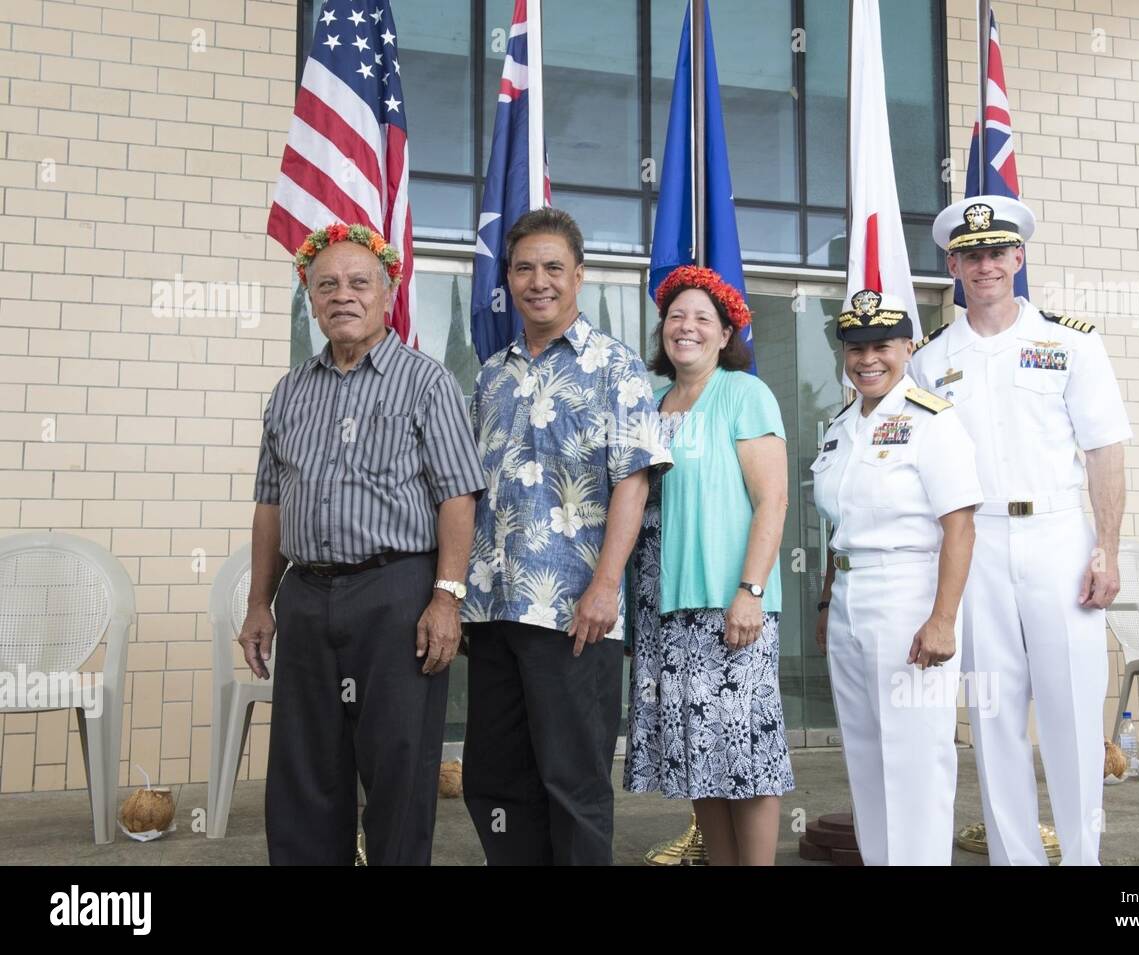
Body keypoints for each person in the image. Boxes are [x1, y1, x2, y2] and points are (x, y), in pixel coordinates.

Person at [245, 223, 485, 865]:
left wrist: (447, 597)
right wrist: (258, 603)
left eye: (358, 282)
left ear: (387, 292)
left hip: (397, 595)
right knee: (303, 767)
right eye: (326, 285)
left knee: (399, 765)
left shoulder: (427, 383)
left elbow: (458, 496)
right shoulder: (289, 392)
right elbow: (270, 504)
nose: (342, 295)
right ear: (310, 299)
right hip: (306, 595)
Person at [910, 195, 1131, 866]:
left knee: (1070, 710)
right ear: (953, 264)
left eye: (996, 252)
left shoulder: (1070, 343)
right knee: (995, 716)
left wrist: (1107, 548)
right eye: (970, 255)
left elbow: (1105, 450)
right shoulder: (930, 360)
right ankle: (1015, 858)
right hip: (974, 544)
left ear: (1018, 257)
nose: (985, 265)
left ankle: (1083, 854)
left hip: (1059, 537)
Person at [461, 208, 671, 865]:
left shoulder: (618, 367)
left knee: (573, 785)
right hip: (494, 610)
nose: (539, 280)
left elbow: (633, 482)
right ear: (509, 279)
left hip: (576, 614)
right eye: (524, 267)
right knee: (494, 781)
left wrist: (606, 587)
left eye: (554, 267)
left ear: (579, 276)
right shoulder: (490, 375)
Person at [623, 265, 794, 866]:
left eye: (701, 318)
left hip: (728, 605)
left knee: (746, 752)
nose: (685, 327)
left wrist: (750, 590)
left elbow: (772, 498)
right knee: (701, 754)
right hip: (664, 607)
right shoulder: (653, 402)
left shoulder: (744, 392)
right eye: (675, 317)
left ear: (726, 333)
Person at [811, 288, 982, 865]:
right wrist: (827, 603)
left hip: (910, 598)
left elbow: (959, 526)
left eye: (881, 345)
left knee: (915, 757)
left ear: (908, 347)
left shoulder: (933, 421)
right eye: (854, 348)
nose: (867, 359)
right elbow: (842, 527)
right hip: (851, 602)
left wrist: (942, 620)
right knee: (865, 755)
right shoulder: (839, 426)